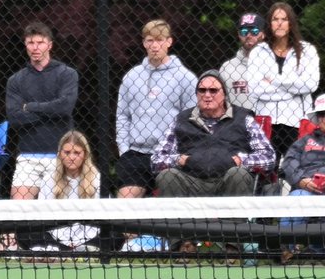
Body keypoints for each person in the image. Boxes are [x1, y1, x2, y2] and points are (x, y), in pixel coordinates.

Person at [151, 69, 275, 197]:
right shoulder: (181, 119)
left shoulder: (244, 119)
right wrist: (181, 160)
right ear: (196, 94)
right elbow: (156, 159)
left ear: (224, 94)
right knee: (167, 176)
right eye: (202, 90)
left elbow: (268, 157)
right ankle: (182, 217)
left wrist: (239, 160)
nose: (207, 95)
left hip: (228, 182)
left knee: (238, 174)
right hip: (191, 182)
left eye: (213, 90)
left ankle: (232, 218)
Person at [114, 20, 196, 198]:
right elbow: (122, 115)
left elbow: (192, 118)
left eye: (159, 40)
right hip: (136, 153)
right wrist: (124, 148)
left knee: (168, 208)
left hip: (170, 154)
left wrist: (182, 151)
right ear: (144, 43)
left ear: (169, 42)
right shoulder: (132, 77)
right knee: (124, 204)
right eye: (150, 40)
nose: (155, 46)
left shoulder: (185, 78)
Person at [5, 21, 79, 201]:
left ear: (50, 45)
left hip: (60, 154)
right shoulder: (16, 80)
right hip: (27, 155)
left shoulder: (67, 74)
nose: (35, 48)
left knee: (57, 213)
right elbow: (15, 118)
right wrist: (51, 110)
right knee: (17, 211)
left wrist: (31, 107)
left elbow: (65, 108)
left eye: (40, 42)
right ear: (25, 45)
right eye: (31, 43)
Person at [246, 2, 320, 159]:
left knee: (294, 170)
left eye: (284, 19)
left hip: (296, 122)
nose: (279, 23)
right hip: (266, 121)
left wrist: (273, 80)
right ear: (269, 23)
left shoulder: (307, 51)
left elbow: (310, 84)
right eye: (275, 19)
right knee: (266, 174)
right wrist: (292, 89)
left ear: (291, 23)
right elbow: (255, 89)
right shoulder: (258, 52)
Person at [25, 130, 101, 253]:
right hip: (56, 234)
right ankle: (65, 249)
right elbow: (42, 216)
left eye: (76, 153)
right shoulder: (48, 179)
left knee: (115, 234)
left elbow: (102, 218)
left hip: (90, 236)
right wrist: (64, 239)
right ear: (60, 154)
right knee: (25, 233)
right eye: (67, 152)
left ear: (85, 155)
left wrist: (80, 241)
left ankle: (80, 248)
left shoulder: (97, 179)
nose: (71, 157)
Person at [278, 94, 325, 260]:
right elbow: (289, 162)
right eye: (322, 115)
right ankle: (288, 251)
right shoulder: (305, 141)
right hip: (307, 188)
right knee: (296, 198)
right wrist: (302, 181)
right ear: (318, 119)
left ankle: (318, 249)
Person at [220, 11, 264, 112]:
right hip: (237, 125)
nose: (248, 35)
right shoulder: (227, 68)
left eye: (254, 31)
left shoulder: (273, 65)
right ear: (239, 35)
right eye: (244, 31)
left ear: (263, 34)